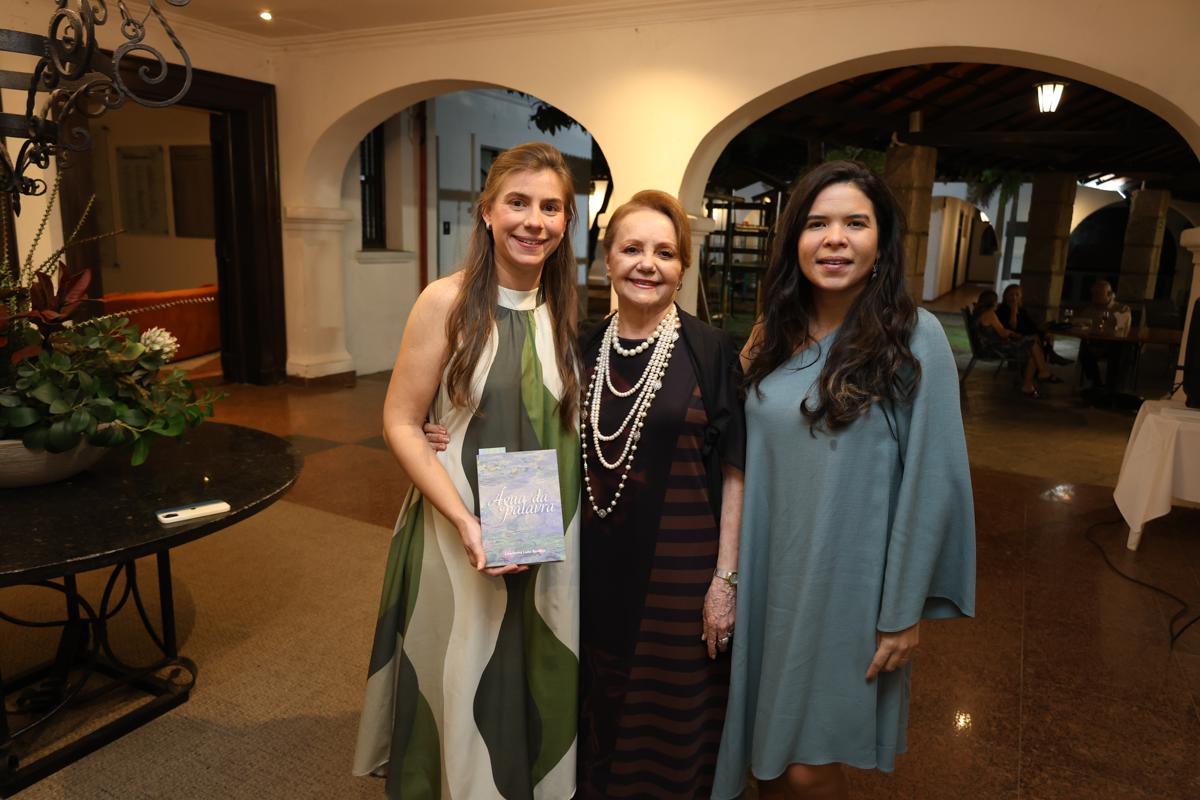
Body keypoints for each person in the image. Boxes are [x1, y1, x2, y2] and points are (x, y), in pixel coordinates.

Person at [424, 190, 746, 799]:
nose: (647, 264)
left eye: (665, 253)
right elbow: (529, 431)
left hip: (679, 575)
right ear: (607, 259)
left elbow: (735, 470)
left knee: (668, 720)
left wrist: (724, 582)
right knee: (595, 706)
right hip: (588, 567)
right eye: (632, 249)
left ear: (683, 267)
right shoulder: (578, 346)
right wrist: (439, 431)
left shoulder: (711, 349)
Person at [712, 161, 975, 800]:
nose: (835, 239)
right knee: (768, 756)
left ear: (881, 242)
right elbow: (735, 445)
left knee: (809, 764)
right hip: (769, 574)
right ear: (794, 241)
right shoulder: (772, 332)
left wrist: (903, 610)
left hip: (849, 587)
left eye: (855, 223)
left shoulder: (913, 336)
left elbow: (934, 480)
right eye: (817, 224)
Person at [352, 142, 582, 799]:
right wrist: (464, 519)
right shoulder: (445, 301)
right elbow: (400, 421)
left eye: (550, 207)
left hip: (543, 528)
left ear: (567, 221)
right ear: (486, 211)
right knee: (466, 667)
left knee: (533, 663)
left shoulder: (564, 307)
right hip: (459, 524)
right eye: (518, 203)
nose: (533, 221)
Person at [972, 288, 1058, 397]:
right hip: (995, 348)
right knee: (1033, 347)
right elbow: (1003, 333)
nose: (997, 303)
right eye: (996, 301)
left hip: (990, 345)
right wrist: (1010, 332)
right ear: (993, 302)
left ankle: (1036, 378)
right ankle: (1035, 379)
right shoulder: (990, 314)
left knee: (1033, 348)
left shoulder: (979, 313)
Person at [995, 283, 1071, 365]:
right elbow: (1013, 327)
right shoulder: (1002, 309)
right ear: (1006, 296)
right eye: (1011, 295)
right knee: (1036, 338)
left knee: (1044, 335)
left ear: (1020, 296)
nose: (1014, 297)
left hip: (1026, 334)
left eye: (1017, 295)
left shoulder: (1022, 310)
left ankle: (1048, 356)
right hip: (1013, 338)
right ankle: (1049, 357)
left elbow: (1031, 325)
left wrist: (1043, 332)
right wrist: (1013, 310)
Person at [1077, 279, 1132, 389]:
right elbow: (1081, 324)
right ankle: (1096, 382)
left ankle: (1112, 386)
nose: (1094, 297)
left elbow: (1122, 329)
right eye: (1093, 294)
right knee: (1084, 349)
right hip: (1094, 342)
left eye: (1098, 294)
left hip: (1114, 344)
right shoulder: (1090, 309)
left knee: (1121, 349)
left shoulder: (1121, 309)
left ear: (1109, 294)